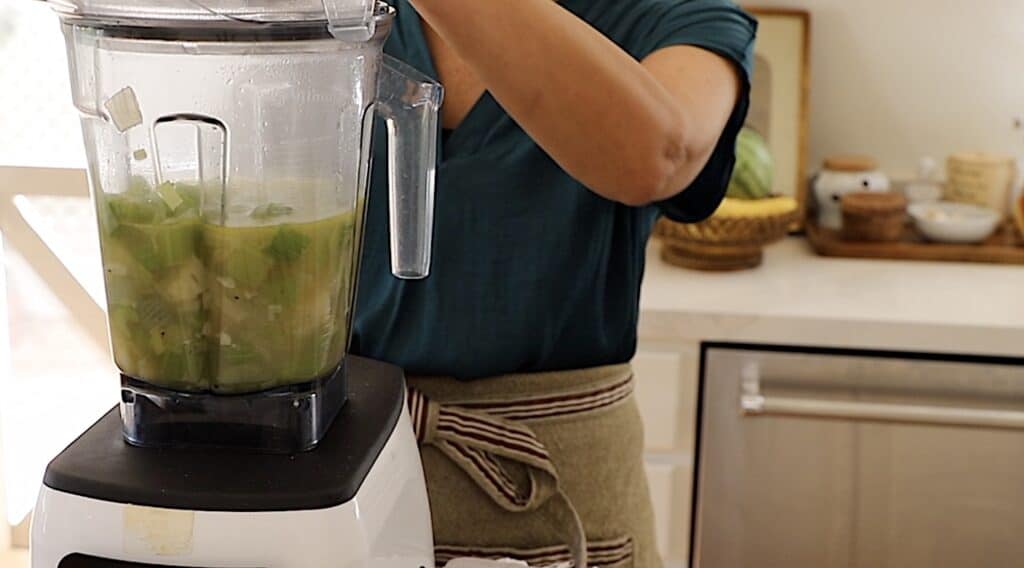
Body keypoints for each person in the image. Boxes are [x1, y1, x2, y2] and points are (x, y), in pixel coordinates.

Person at [350, 0, 756, 566]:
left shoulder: (672, 15)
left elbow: (659, 155)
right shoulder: (334, 13)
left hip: (563, 505)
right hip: (340, 493)